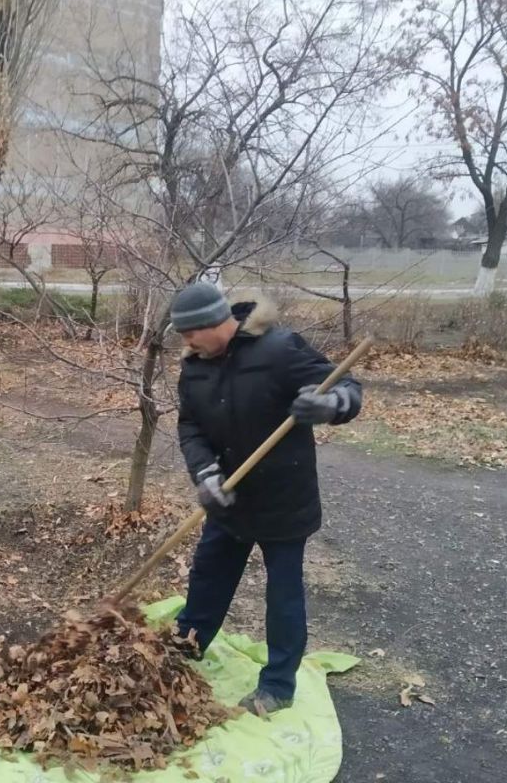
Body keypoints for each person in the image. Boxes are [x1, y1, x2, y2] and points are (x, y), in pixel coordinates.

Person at [170, 281, 362, 715]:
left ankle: (277, 686)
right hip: (228, 500)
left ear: (214, 323)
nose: (185, 344)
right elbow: (190, 428)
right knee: (207, 578)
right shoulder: (195, 367)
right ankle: (185, 650)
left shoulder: (278, 350)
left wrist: (331, 404)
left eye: (189, 334)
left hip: (283, 500)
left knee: (283, 595)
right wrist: (205, 474)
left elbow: (347, 385)